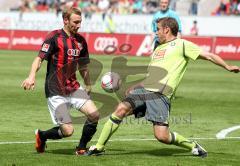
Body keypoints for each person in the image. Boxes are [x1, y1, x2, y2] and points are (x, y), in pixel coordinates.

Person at [86, 17, 240, 157]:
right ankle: (99, 147)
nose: (156, 32)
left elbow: (209, 55)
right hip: (144, 91)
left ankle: (192, 145)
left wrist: (227, 66)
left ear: (167, 29)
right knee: (120, 110)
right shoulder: (158, 49)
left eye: (158, 29)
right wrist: (136, 86)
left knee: (162, 136)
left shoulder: (182, 44)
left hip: (160, 95)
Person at [21, 7, 99, 155]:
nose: (79, 25)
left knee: (94, 115)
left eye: (80, 22)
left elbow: (83, 66)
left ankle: (81, 148)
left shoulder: (81, 41)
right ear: (65, 20)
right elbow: (39, 59)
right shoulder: (54, 37)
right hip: (55, 90)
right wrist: (31, 76)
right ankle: (42, 136)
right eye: (76, 22)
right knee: (68, 130)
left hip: (73, 87)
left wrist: (88, 83)